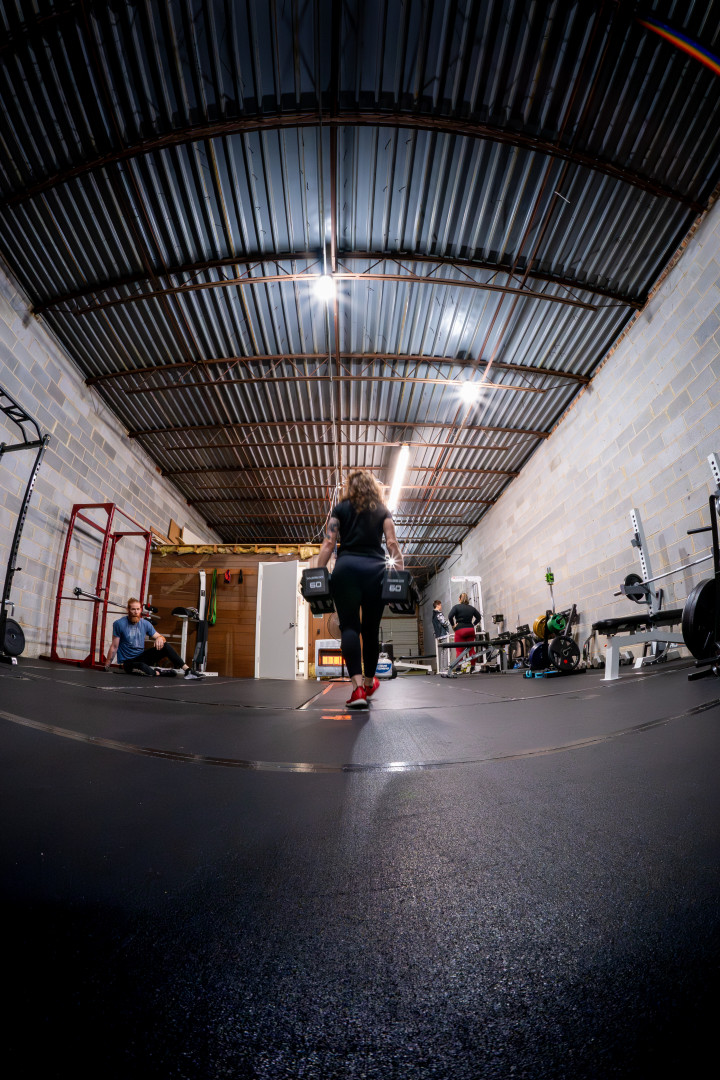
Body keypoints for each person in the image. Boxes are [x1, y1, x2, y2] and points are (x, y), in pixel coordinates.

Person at [317, 470, 404, 709]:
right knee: (370, 630)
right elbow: (392, 543)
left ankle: (357, 690)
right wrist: (401, 576)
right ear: (373, 487)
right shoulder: (383, 511)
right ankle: (368, 682)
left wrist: (316, 573)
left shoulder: (339, 509)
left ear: (350, 487)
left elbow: (329, 542)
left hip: (346, 570)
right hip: (375, 571)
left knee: (349, 627)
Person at [105, 597, 202, 679]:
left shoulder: (145, 623)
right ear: (128, 610)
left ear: (141, 610)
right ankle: (159, 672)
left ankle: (188, 671)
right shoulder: (119, 624)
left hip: (142, 657)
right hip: (128, 662)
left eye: (138, 609)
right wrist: (107, 664)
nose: (136, 612)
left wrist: (159, 638)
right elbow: (114, 646)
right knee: (143, 668)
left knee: (165, 645)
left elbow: (160, 637)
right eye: (133, 609)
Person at [448, 591, 482, 661]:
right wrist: (473, 624)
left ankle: (459, 666)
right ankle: (473, 666)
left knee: (459, 650)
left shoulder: (456, 607)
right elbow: (479, 617)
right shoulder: (472, 608)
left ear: (459, 599)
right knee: (471, 649)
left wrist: (453, 625)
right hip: (470, 629)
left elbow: (450, 616)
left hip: (460, 630)